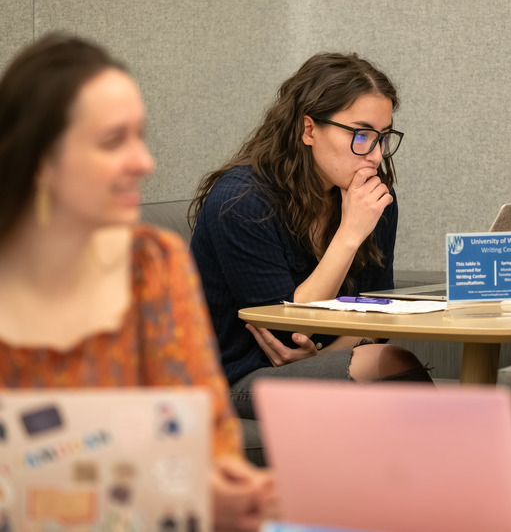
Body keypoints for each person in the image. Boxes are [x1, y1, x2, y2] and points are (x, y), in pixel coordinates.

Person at [0, 33, 276, 531]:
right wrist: (162, 492)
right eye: (112, 141)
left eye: (139, 136)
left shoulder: (153, 264)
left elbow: (208, 435)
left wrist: (232, 489)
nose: (143, 162)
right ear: (42, 161)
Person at [189, 52, 432, 419]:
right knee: (392, 365)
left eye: (383, 137)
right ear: (309, 130)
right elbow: (288, 333)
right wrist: (350, 233)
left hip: (321, 363)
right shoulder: (242, 200)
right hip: (234, 379)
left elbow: (377, 317)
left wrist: (324, 358)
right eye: (361, 134)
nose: (376, 154)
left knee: (388, 367)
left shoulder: (373, 198)